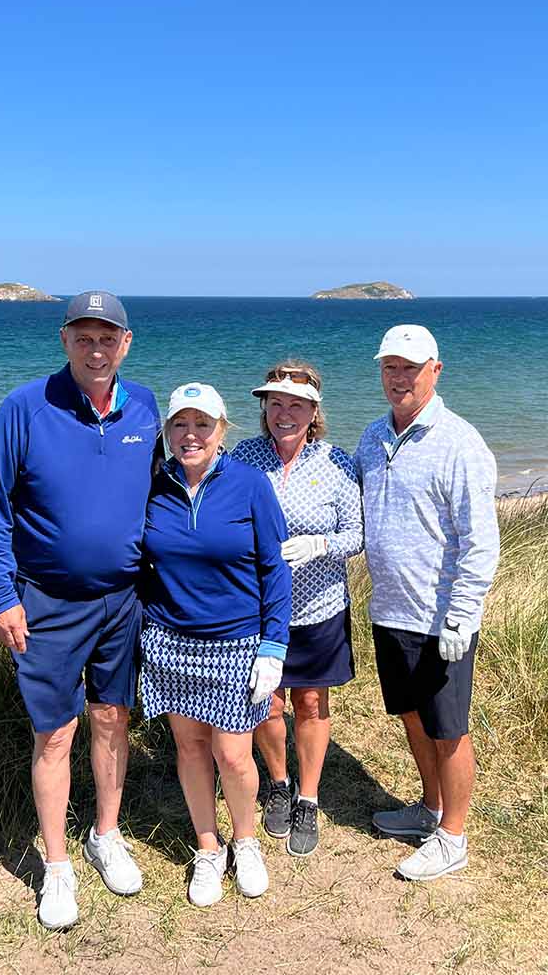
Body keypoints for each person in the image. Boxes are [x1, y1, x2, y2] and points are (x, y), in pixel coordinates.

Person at [0, 291, 160, 930]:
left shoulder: (147, 408)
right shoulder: (25, 407)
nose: (96, 349)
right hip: (45, 601)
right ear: (64, 339)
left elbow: (171, 484)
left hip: (124, 600)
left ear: (125, 344)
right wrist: (0, 597)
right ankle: (56, 867)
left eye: (108, 337)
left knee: (111, 717)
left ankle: (105, 835)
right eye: (84, 337)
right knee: (54, 734)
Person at [138, 382, 292, 907]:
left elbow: (274, 568)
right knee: (191, 747)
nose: (190, 435)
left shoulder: (249, 484)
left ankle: (245, 841)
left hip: (237, 640)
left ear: (222, 430)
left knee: (233, 752)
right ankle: (208, 846)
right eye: (179, 424)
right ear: (166, 432)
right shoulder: (154, 485)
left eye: (202, 424)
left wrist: (274, 645)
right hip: (170, 640)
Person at [354, 324, 499, 881]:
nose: (399, 378)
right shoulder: (372, 437)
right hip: (390, 610)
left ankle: (453, 836)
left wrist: (464, 612)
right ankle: (430, 807)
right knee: (412, 717)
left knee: (448, 727)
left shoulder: (460, 442)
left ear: (435, 370)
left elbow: (480, 538)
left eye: (410, 368)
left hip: (442, 618)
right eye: (390, 367)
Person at [230, 359, 362, 857]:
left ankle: (308, 797)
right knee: (266, 699)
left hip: (319, 605)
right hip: (258, 607)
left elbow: (357, 534)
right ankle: (279, 785)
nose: (284, 413)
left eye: (297, 405)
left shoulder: (337, 463)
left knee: (309, 702)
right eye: (276, 403)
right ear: (265, 407)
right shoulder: (243, 457)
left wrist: (320, 545)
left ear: (314, 411)